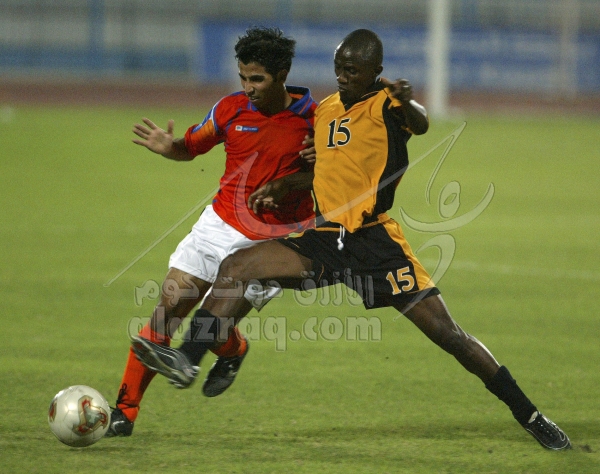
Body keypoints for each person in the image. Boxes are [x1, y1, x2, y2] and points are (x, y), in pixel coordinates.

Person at [131, 29, 571, 451]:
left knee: (448, 335)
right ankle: (188, 358)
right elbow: (323, 170)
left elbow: (419, 125)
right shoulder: (324, 110)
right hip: (325, 237)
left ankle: (530, 415)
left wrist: (406, 99)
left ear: (375, 71)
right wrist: (285, 184)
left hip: (374, 244)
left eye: (353, 70)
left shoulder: (387, 104)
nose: (343, 76)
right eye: (339, 67)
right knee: (237, 266)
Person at [104, 26, 318, 437]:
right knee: (169, 308)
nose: (248, 88)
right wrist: (170, 147)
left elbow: (338, 175)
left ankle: (233, 349)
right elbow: (191, 146)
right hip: (218, 224)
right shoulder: (229, 109)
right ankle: (124, 413)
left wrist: (308, 172)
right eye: (243, 77)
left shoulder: (317, 120)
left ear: (283, 74)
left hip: (270, 242)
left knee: (212, 325)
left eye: (258, 79)